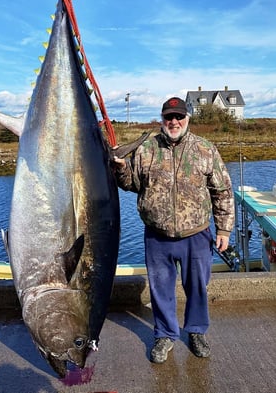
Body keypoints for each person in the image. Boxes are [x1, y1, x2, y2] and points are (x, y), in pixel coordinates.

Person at [114, 96, 234, 363]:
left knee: (198, 287)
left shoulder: (205, 149)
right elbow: (131, 183)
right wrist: (120, 168)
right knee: (161, 289)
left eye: (179, 116)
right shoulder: (146, 148)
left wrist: (224, 230)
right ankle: (165, 334)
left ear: (187, 119)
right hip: (157, 236)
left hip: (197, 235)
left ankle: (196, 331)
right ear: (162, 120)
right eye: (169, 117)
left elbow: (222, 191)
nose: (174, 121)